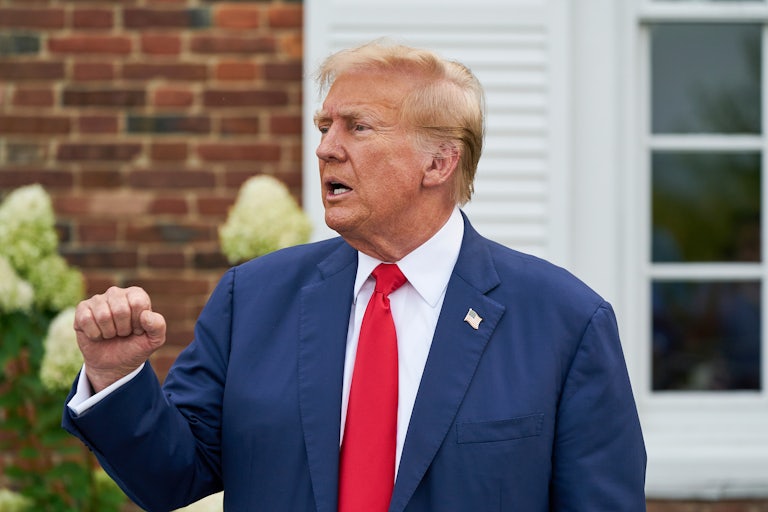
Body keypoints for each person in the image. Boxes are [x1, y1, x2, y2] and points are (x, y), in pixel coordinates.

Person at [63, 40, 646, 511]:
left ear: (439, 162)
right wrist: (115, 377)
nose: (326, 149)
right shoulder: (253, 299)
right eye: (324, 127)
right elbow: (171, 477)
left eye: (358, 127)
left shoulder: (564, 321)